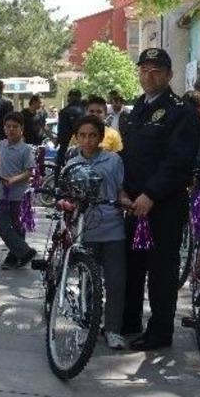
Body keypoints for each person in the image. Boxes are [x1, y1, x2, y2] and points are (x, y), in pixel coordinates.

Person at [120, 48, 199, 351]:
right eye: (143, 69)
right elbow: (131, 155)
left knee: (161, 272)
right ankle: (129, 321)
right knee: (131, 265)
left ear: (168, 75)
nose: (148, 75)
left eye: (155, 70)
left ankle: (160, 333)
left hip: (162, 205)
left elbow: (178, 162)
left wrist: (150, 194)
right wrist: (124, 190)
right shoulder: (138, 107)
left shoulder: (181, 111)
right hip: (132, 204)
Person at [67, 115, 130, 350]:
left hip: (113, 229)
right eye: (82, 135)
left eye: (92, 135)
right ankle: (87, 325)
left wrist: (125, 201)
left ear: (101, 137)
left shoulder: (113, 161)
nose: (87, 140)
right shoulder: (71, 164)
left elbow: (121, 190)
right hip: (85, 231)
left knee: (115, 282)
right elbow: (68, 196)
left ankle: (112, 329)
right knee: (87, 281)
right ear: (76, 137)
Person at [0, 111, 38, 270]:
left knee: (17, 226)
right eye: (8, 126)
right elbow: (0, 161)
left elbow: (29, 172)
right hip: (2, 193)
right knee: (0, 224)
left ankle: (15, 257)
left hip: (19, 195)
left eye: (15, 126)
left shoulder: (25, 149)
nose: (11, 129)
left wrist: (13, 180)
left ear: (22, 129)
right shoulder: (2, 144)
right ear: (4, 128)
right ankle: (24, 252)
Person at [55, 89, 85, 177]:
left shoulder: (65, 112)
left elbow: (62, 133)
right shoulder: (85, 111)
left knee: (62, 172)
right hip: (84, 146)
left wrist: (58, 141)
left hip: (67, 147)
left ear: (69, 98)